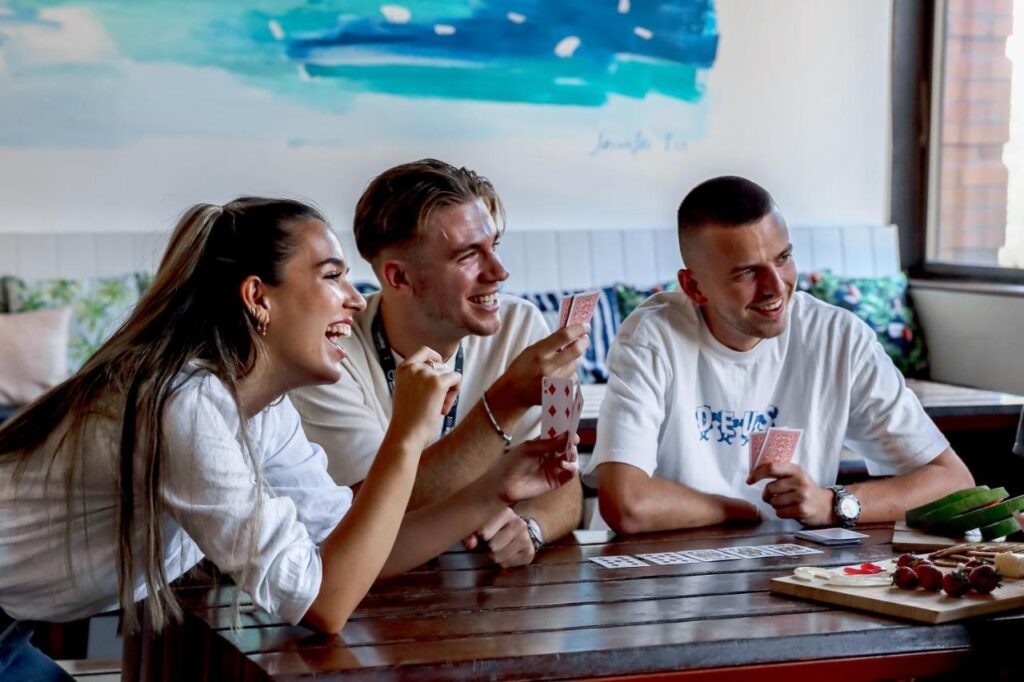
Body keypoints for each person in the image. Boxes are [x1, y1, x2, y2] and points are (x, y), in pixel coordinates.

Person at [0, 198, 578, 679]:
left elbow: (349, 551)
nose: (355, 297)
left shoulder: (262, 410)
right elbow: (323, 605)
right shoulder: (186, 404)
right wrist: (407, 433)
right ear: (258, 298)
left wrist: (492, 492)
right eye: (331, 275)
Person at [587, 176, 974, 534]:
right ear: (694, 287)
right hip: (667, 578)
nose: (776, 287)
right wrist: (742, 510)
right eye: (746, 273)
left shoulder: (839, 336)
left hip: (796, 577)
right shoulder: (652, 335)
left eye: (783, 258)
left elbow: (952, 482)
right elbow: (627, 504)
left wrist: (835, 504)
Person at [291, 159, 589, 568]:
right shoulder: (329, 353)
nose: (500, 273)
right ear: (399, 278)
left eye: (494, 247)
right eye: (468, 256)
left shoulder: (521, 324)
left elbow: (561, 480)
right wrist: (506, 401)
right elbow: (369, 514)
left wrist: (530, 527)